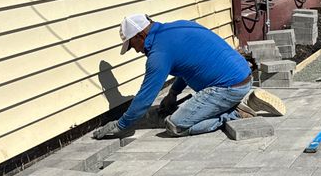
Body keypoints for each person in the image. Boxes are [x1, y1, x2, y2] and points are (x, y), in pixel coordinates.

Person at [92, 14, 284, 138]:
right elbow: (189, 65)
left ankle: (232, 113)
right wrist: (173, 94)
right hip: (242, 75)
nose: (134, 50)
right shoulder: (179, 25)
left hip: (226, 88)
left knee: (176, 125)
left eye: (132, 45)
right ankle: (243, 98)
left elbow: (144, 99)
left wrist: (121, 124)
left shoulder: (158, 54)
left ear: (140, 35)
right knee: (187, 109)